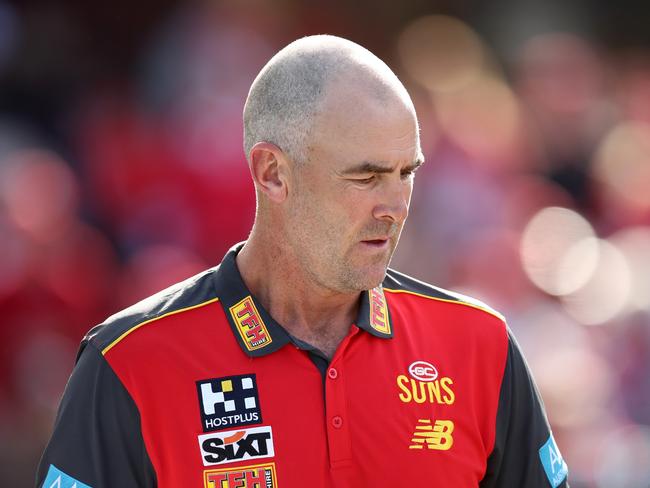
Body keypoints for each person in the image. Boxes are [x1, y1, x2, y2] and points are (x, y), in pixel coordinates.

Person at [36, 35, 569, 488]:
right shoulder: (130, 362)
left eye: (406, 173)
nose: (396, 205)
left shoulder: (480, 345)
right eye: (365, 176)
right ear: (272, 173)